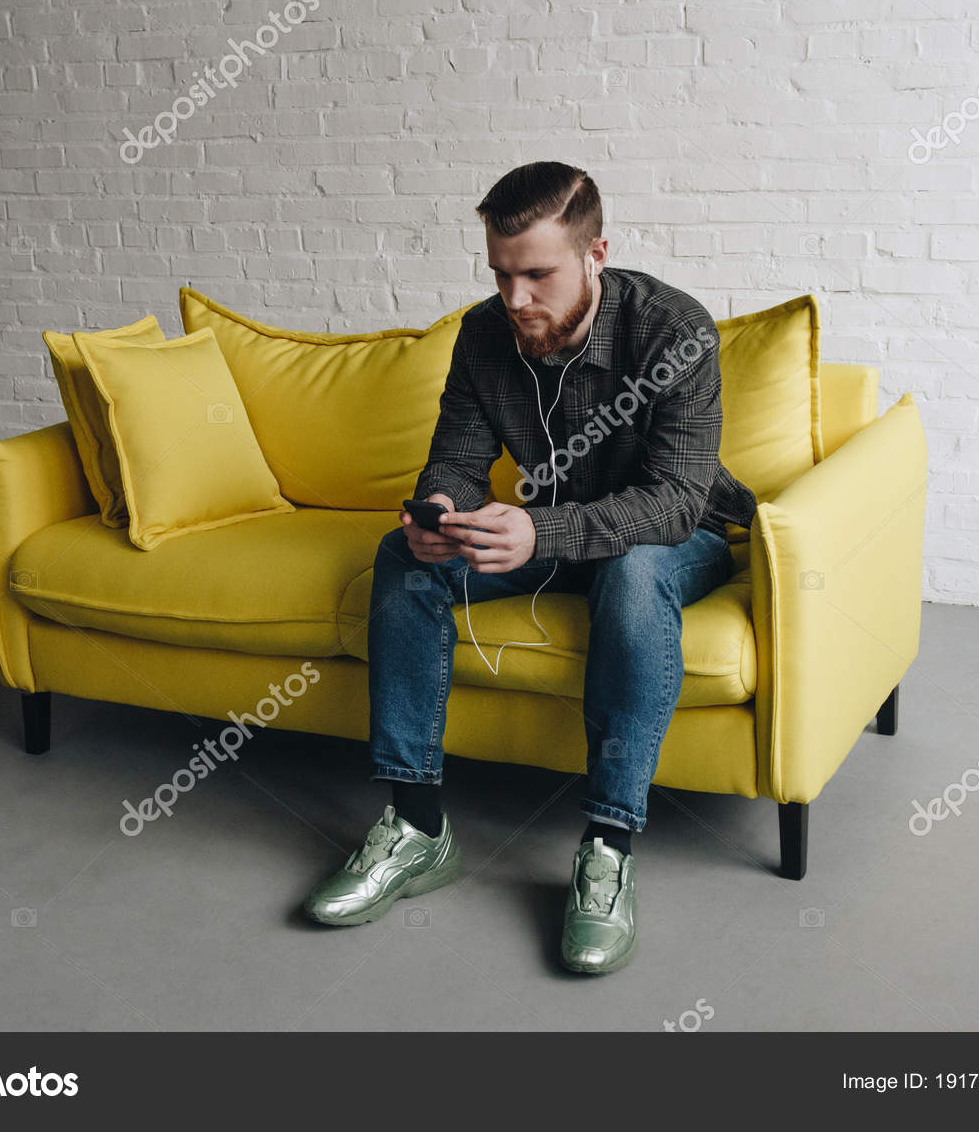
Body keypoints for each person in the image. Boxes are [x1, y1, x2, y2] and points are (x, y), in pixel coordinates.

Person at [302, 161, 757, 974]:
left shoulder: (673, 330)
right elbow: (457, 459)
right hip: (549, 529)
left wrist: (541, 532)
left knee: (634, 571)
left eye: (538, 275)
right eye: (501, 275)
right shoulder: (484, 335)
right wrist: (439, 511)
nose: (517, 300)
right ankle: (416, 828)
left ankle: (608, 849)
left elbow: (674, 503)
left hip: (671, 539)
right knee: (403, 554)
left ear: (595, 254)